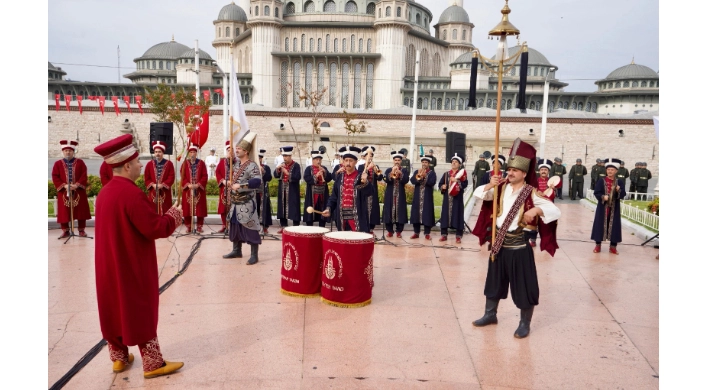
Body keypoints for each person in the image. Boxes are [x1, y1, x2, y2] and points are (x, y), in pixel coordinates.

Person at [93, 134, 184, 378]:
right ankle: (153, 363)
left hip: (108, 266)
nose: (140, 166)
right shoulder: (131, 194)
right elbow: (155, 228)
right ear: (126, 165)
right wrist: (173, 216)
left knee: (113, 305)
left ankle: (119, 357)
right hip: (131, 265)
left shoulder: (104, 194)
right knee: (138, 306)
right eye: (136, 162)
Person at [471, 138, 561, 339]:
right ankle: (490, 314)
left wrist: (537, 209)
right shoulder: (500, 187)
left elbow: (554, 211)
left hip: (520, 246)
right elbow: (479, 195)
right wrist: (488, 186)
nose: (509, 173)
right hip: (499, 244)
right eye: (508, 169)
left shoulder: (531, 193)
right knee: (493, 282)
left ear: (523, 173)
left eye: (514, 171)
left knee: (524, 287)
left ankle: (524, 323)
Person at [221, 133, 263, 264]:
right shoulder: (237, 165)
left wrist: (242, 185)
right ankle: (236, 250)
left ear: (246, 151)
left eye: (238, 148)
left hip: (246, 203)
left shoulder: (252, 165)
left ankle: (254, 255)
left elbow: (257, 181)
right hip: (235, 202)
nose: (236, 150)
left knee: (250, 227)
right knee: (234, 226)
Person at [322, 146, 373, 232]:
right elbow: (334, 197)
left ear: (356, 162)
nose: (348, 163)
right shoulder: (339, 177)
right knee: (343, 243)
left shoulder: (360, 177)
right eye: (346, 160)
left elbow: (370, 192)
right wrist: (329, 208)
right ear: (343, 162)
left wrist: (365, 183)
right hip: (342, 217)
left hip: (357, 217)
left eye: (351, 161)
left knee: (357, 243)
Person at [52, 140, 92, 238]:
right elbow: (55, 176)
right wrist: (64, 185)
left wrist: (77, 185)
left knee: (80, 210)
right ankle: (66, 231)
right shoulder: (58, 164)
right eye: (66, 151)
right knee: (64, 211)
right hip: (64, 191)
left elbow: (84, 174)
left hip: (78, 190)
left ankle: (81, 230)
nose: (68, 152)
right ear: (63, 151)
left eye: (70, 150)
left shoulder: (80, 162)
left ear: (73, 151)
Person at [591, 158, 626, 254]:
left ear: (616, 171)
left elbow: (623, 194)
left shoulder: (619, 182)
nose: (610, 171)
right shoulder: (601, 181)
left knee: (614, 226)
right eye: (608, 170)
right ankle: (598, 245)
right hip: (603, 208)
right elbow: (596, 192)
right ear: (606, 170)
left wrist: (619, 191)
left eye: (612, 170)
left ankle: (613, 247)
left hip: (614, 208)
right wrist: (602, 197)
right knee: (599, 225)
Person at [438, 153, 468, 243]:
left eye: (456, 162)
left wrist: (457, 182)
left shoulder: (462, 174)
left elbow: (465, 184)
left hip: (457, 199)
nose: (454, 163)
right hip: (447, 199)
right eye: (453, 161)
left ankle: (458, 236)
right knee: (445, 215)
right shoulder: (446, 174)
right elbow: (440, 184)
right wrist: (442, 186)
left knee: (458, 215)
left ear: (459, 164)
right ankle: (444, 234)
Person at [180, 143, 208, 233]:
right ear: (189, 153)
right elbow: (182, 176)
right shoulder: (184, 163)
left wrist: (198, 184)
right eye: (191, 152)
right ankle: (189, 226)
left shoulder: (202, 163)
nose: (192, 154)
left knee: (200, 208)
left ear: (196, 153)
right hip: (188, 190)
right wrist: (187, 184)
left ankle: (199, 226)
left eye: (194, 152)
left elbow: (205, 176)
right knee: (187, 208)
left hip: (198, 189)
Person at [528, 159, 556, 247]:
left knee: (547, 224)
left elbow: (554, 195)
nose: (543, 171)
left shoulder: (552, 182)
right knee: (534, 223)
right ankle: (533, 240)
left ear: (548, 171)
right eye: (542, 170)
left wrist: (553, 189)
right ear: (539, 171)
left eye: (545, 170)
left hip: (548, 206)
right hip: (536, 206)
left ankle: (546, 241)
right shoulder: (534, 181)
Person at [274, 146, 301, 233]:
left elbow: (297, 177)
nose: (284, 158)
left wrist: (288, 173)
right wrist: (278, 170)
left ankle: (296, 227)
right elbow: (275, 175)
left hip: (292, 190)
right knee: (282, 207)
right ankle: (283, 226)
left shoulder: (296, 165)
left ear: (290, 156)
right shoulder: (282, 165)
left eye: (286, 156)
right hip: (283, 189)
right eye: (284, 156)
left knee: (294, 207)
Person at [382, 150, 409, 237]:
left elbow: (406, 180)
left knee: (400, 212)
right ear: (393, 161)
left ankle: (399, 231)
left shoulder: (404, 170)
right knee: (389, 211)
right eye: (395, 160)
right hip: (390, 194)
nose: (397, 162)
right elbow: (385, 180)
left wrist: (400, 174)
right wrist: (391, 174)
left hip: (400, 194)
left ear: (401, 161)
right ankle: (390, 231)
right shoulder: (388, 170)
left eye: (398, 160)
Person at [144, 141, 175, 216]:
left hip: (165, 193)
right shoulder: (149, 164)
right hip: (153, 192)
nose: (157, 153)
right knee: (153, 211)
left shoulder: (169, 164)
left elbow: (171, 176)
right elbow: (146, 177)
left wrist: (163, 185)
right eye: (156, 152)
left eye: (159, 152)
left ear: (163, 152)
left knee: (165, 212)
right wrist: (153, 185)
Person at [409, 155, 437, 240]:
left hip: (427, 196)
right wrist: (418, 176)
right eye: (423, 162)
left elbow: (432, 182)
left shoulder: (432, 173)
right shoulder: (417, 171)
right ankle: (416, 232)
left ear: (429, 163)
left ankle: (427, 233)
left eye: (426, 162)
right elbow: (413, 181)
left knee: (427, 213)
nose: (424, 164)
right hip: (417, 196)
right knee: (416, 213)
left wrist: (425, 177)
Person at [303, 150, 332, 227]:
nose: (318, 161)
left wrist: (324, 172)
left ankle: (322, 227)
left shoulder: (324, 168)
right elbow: (307, 179)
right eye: (316, 159)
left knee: (322, 209)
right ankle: (310, 227)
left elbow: (329, 178)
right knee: (311, 211)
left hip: (322, 193)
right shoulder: (308, 169)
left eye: (320, 159)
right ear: (313, 160)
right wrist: (316, 176)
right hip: (312, 194)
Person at [360, 146, 383, 233]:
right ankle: (364, 228)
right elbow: (360, 177)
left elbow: (380, 177)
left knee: (373, 211)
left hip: (373, 192)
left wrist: (375, 170)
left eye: (371, 156)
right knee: (364, 210)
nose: (370, 157)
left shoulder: (375, 166)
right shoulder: (361, 167)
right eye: (368, 155)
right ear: (364, 157)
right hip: (364, 193)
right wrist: (368, 168)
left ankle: (371, 229)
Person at [215, 141, 235, 233]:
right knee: (223, 207)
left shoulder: (237, 162)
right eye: (228, 151)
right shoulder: (222, 162)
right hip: (224, 188)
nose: (230, 153)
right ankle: (224, 225)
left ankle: (233, 225)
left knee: (233, 207)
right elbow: (218, 172)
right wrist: (222, 181)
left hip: (234, 188)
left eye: (232, 151)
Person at [257, 149, 273, 234]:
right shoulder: (251, 167)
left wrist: (263, 171)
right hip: (253, 192)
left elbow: (269, 178)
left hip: (263, 191)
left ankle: (264, 226)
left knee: (264, 209)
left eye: (260, 158)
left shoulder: (266, 167)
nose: (259, 159)